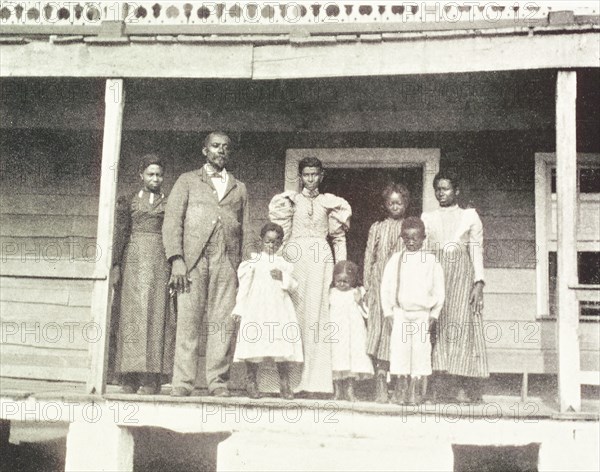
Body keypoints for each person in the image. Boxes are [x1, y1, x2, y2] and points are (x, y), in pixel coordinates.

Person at [163, 131, 249, 397]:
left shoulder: (239, 187)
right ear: (205, 151)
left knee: (222, 324)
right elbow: (172, 222)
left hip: (226, 261)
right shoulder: (187, 181)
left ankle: (218, 382)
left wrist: (244, 269)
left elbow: (245, 229)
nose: (220, 150)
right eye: (215, 146)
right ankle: (183, 383)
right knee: (188, 323)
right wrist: (177, 260)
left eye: (225, 147)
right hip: (192, 263)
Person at [269, 157, 351, 395]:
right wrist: (278, 264)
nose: (311, 179)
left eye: (315, 174)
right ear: (300, 177)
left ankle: (315, 382)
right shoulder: (290, 201)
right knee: (293, 315)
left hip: (320, 261)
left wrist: (341, 268)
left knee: (317, 318)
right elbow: (282, 237)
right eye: (306, 175)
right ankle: (290, 382)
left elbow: (338, 239)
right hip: (295, 260)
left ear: (321, 176)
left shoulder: (330, 203)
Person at [421, 170, 488, 403]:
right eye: (438, 189)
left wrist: (478, 282)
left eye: (446, 188)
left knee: (460, 326)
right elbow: (425, 251)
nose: (441, 193)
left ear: (456, 191)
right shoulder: (427, 218)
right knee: (438, 325)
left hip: (461, 275)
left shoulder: (469, 216)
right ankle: (439, 387)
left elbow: (476, 250)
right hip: (437, 273)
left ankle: (461, 386)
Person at [111, 154, 174, 395]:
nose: (155, 179)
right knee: (132, 316)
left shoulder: (169, 203)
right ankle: (129, 376)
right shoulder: (129, 202)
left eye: (159, 174)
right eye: (150, 174)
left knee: (157, 315)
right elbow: (120, 233)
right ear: (141, 176)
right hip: (133, 261)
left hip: (159, 260)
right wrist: (116, 264)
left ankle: (151, 377)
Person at [231, 222, 303, 400]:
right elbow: (244, 287)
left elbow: (294, 286)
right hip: (258, 308)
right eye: (268, 241)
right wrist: (240, 308)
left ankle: (285, 384)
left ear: (281, 244)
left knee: (281, 345)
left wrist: (283, 277)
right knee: (255, 343)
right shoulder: (253, 262)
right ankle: (251, 381)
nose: (272, 246)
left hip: (279, 308)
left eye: (276, 242)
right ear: (261, 241)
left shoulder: (284, 264)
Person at [380, 217, 445, 405]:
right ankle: (401, 387)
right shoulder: (396, 259)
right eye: (407, 237)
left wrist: (434, 314)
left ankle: (416, 389)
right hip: (400, 312)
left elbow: (439, 290)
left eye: (415, 237)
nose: (411, 241)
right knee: (399, 350)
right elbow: (387, 286)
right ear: (402, 238)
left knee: (420, 350)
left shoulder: (431, 261)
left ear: (423, 238)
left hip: (422, 314)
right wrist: (388, 312)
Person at [363, 183, 410, 403]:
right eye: (391, 203)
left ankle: (400, 383)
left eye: (399, 202)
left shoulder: (410, 227)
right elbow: (369, 257)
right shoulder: (377, 227)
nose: (395, 206)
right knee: (378, 332)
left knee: (397, 332)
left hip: (401, 287)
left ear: (405, 204)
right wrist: (366, 285)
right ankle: (380, 381)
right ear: (385, 205)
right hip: (378, 283)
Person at [329, 260, 373, 402]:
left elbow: (366, 313)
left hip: (353, 332)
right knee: (337, 359)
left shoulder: (356, 292)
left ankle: (349, 391)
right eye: (339, 281)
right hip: (336, 332)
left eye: (345, 281)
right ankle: (337, 391)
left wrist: (360, 301)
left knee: (351, 360)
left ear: (353, 280)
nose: (341, 284)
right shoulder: (331, 293)